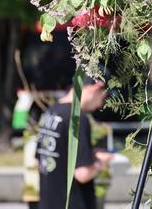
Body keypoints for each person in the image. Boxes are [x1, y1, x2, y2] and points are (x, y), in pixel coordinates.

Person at [36, 79, 113, 209]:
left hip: (49, 202)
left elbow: (39, 160)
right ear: (96, 88)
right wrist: (102, 162)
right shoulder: (77, 118)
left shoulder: (50, 112)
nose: (100, 105)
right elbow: (83, 174)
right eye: (103, 98)